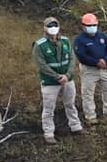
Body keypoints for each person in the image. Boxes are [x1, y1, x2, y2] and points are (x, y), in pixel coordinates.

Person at [33, 16, 83, 144]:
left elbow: (72, 59)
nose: (52, 28)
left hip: (68, 79)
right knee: (49, 108)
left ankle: (75, 126)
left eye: (55, 25)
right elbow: (41, 65)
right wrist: (56, 77)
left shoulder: (66, 41)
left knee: (70, 104)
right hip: (50, 82)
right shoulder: (40, 45)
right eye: (49, 26)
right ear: (44, 28)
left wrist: (67, 75)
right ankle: (49, 133)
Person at [74, 12, 107, 124]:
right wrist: (96, 62)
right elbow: (82, 56)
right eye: (89, 26)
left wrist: (105, 60)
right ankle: (90, 116)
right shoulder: (79, 40)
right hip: (89, 70)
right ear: (83, 26)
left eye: (94, 25)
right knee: (88, 93)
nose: (92, 28)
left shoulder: (102, 36)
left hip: (104, 68)